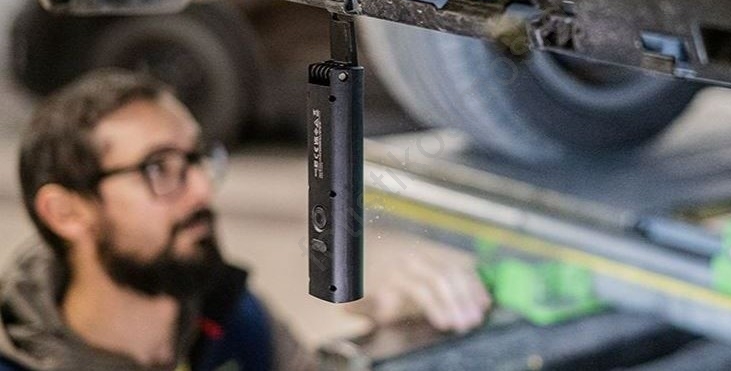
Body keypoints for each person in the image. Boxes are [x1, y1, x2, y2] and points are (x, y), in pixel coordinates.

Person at [0, 70, 491, 370]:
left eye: (197, 159)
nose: (202, 188)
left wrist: (396, 332)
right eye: (159, 169)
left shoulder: (225, 310)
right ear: (66, 213)